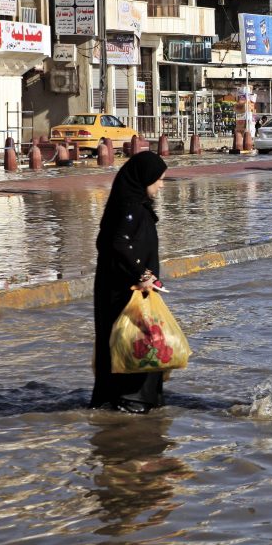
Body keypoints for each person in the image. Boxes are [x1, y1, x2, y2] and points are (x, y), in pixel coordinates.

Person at [90, 151, 168, 414]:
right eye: (158, 179)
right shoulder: (131, 209)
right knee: (135, 342)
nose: (161, 184)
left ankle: (120, 401)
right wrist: (143, 275)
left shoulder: (130, 205)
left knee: (128, 343)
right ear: (143, 179)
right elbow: (118, 244)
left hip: (120, 289)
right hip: (123, 293)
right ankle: (131, 401)